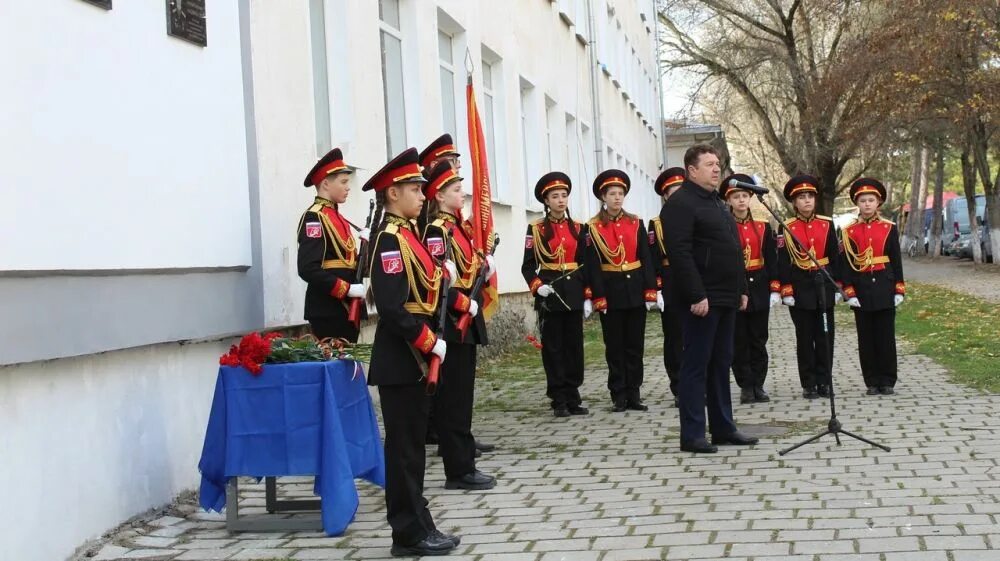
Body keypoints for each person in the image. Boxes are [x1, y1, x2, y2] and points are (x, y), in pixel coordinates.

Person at [364, 147, 459, 557]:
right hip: (402, 357)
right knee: (403, 450)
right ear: (392, 194)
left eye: (422, 188)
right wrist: (427, 341)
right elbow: (390, 306)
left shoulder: (409, 236)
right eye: (414, 188)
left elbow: (426, 290)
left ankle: (419, 523)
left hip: (414, 356)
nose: (423, 195)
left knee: (413, 448)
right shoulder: (389, 241)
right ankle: (407, 533)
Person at [661, 144, 758, 454]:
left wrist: (742, 289)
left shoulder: (716, 203)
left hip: (726, 295)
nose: (717, 169)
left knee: (720, 363)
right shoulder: (681, 204)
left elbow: (732, 249)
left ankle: (723, 427)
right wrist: (696, 294)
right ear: (692, 170)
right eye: (710, 165)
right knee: (695, 365)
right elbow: (680, 253)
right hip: (702, 298)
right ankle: (692, 434)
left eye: (718, 164)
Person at [420, 161, 497, 490]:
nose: (462, 193)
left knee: (463, 396)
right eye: (455, 189)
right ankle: (458, 468)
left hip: (466, 318)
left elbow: (468, 270)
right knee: (453, 399)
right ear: (438, 195)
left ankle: (465, 461)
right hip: (451, 321)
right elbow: (438, 283)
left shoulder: (459, 228)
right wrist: (465, 304)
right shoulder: (437, 231)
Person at [585, 169, 659, 412]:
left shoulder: (635, 222)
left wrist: (650, 290)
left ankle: (634, 393)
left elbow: (645, 257)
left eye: (620, 193)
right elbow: (593, 265)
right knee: (614, 346)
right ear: (603, 197)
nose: (617, 198)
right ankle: (618, 394)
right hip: (611, 291)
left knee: (635, 345)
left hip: (635, 289)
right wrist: (598, 296)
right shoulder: (593, 227)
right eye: (612, 194)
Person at [521, 171, 591, 417]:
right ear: (546, 201)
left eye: (564, 195)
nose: (561, 200)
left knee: (574, 346)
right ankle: (558, 397)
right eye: (555, 196)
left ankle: (573, 395)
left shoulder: (580, 228)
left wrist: (588, 295)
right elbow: (527, 265)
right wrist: (536, 285)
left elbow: (586, 263)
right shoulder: (536, 229)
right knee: (553, 348)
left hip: (573, 293)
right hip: (549, 293)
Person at [777, 174, 843, 400]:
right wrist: (786, 289)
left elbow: (836, 258)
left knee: (825, 336)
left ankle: (825, 381)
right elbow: (783, 260)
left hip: (823, 284)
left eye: (809, 196)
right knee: (804, 339)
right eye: (801, 197)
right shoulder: (786, 227)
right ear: (794, 202)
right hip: (800, 286)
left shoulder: (827, 224)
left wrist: (837, 288)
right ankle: (809, 383)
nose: (806, 201)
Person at [840, 178, 905, 396]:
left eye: (871, 200)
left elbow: (896, 260)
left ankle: (887, 380)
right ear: (857, 204)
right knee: (866, 338)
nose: (867, 204)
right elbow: (846, 264)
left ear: (879, 203)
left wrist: (899, 288)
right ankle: (871, 380)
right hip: (861, 288)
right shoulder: (848, 231)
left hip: (884, 286)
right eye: (863, 201)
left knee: (885, 337)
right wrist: (849, 292)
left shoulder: (889, 228)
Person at [297, 148, 368, 342]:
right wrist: (346, 289)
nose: (348, 187)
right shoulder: (315, 217)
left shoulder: (338, 218)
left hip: (347, 307)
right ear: (326, 183)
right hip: (328, 308)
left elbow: (348, 263)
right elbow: (307, 268)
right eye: (343, 182)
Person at [720, 173, 780, 404]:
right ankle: (745, 385)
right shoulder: (725, 226)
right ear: (729, 200)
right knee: (739, 339)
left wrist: (774, 287)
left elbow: (771, 258)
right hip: (735, 285)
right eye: (736, 196)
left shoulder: (763, 226)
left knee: (758, 338)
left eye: (745, 196)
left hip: (759, 284)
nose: (741, 201)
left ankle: (759, 383)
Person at [647, 167, 686, 408]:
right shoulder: (656, 224)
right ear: (665, 196)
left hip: (696, 282)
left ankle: (699, 385)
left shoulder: (698, 216)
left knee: (697, 337)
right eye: (674, 191)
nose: (679, 195)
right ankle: (678, 386)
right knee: (674, 337)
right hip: (671, 280)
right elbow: (652, 258)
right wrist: (657, 288)